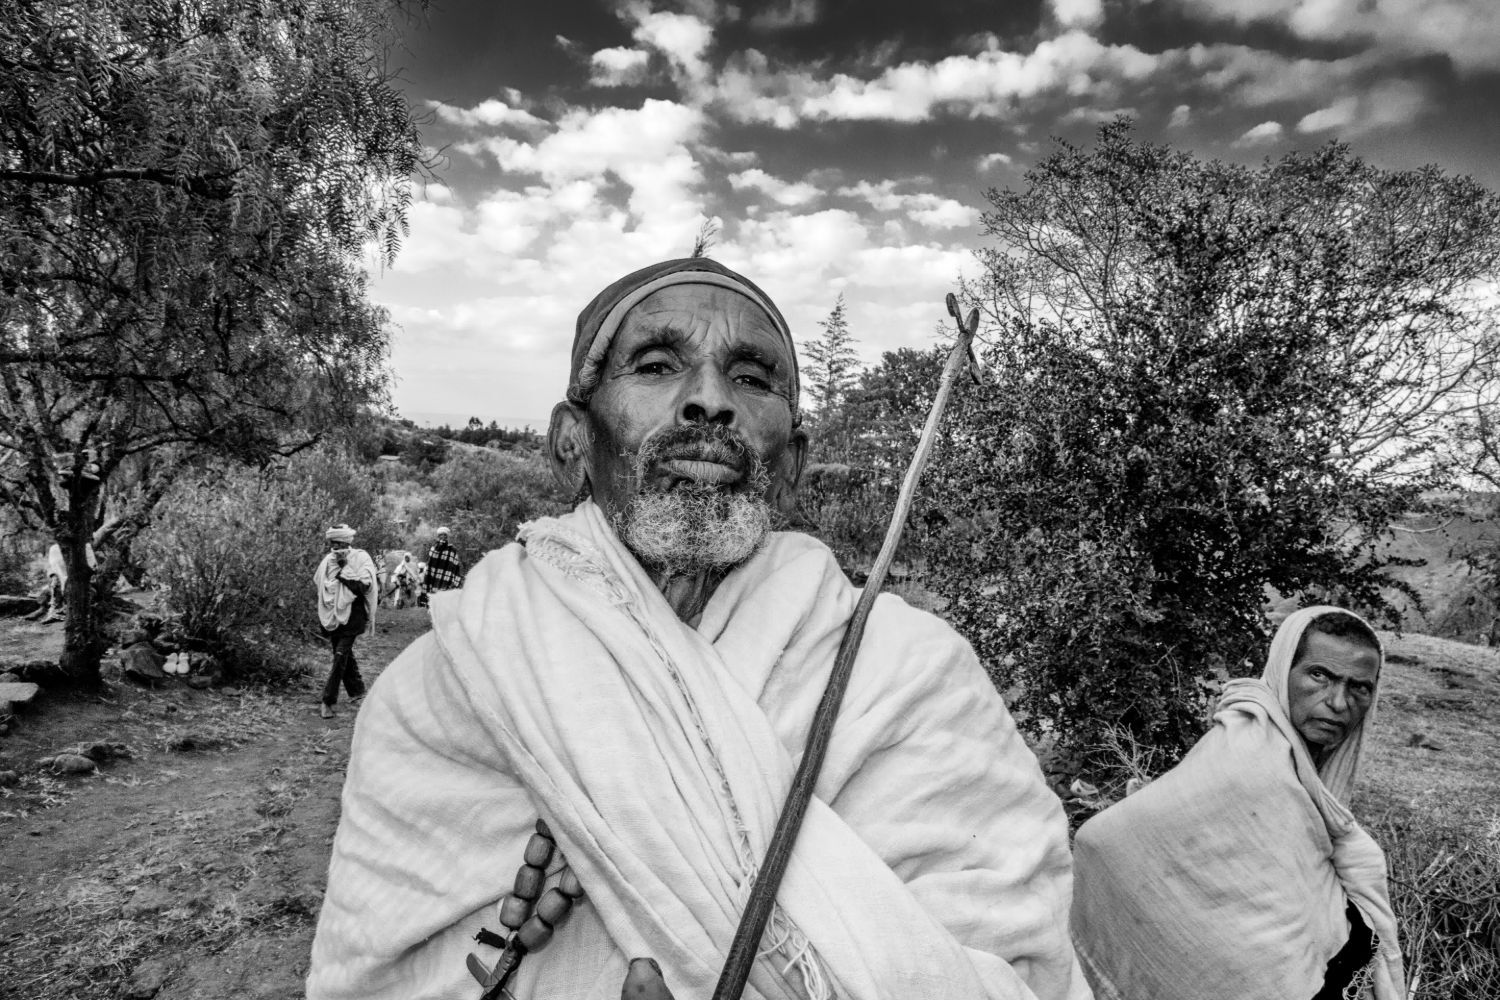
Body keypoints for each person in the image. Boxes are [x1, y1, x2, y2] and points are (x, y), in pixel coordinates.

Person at [307, 258, 1089, 1000]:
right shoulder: (446, 687)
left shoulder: (909, 673)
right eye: (656, 365)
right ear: (571, 442)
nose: (710, 399)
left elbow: (1008, 966)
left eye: (751, 378)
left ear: (791, 465)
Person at [1070, 606, 1406, 1000]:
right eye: (1320, 676)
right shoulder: (1250, 756)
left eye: (1359, 687)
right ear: (1283, 670)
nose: (1338, 702)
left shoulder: (1290, 760)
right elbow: (1102, 840)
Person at [314, 524, 378, 720]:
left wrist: (344, 568)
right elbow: (320, 584)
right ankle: (357, 690)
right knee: (342, 654)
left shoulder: (361, 558)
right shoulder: (327, 561)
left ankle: (328, 700)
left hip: (353, 615)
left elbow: (362, 588)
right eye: (332, 543)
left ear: (346, 542)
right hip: (332, 615)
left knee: (340, 656)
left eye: (338, 543)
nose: (334, 546)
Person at [419, 526, 462, 601]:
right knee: (433, 596)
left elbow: (455, 564)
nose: (443, 537)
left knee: (443, 596)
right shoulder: (433, 548)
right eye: (441, 535)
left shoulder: (452, 550)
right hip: (433, 576)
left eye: (445, 535)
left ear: (447, 537)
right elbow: (431, 562)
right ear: (438, 536)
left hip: (446, 577)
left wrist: (455, 578)